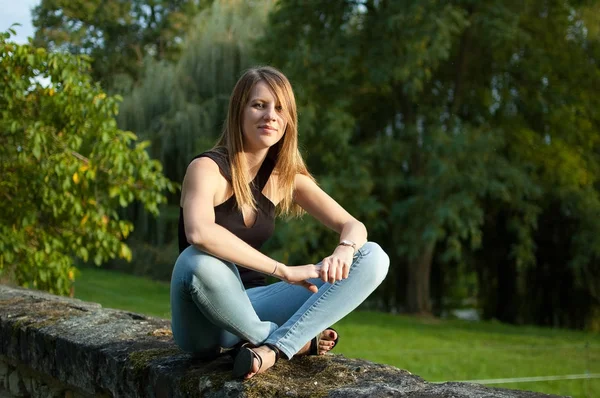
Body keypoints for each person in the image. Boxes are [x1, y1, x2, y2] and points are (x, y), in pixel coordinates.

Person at [170, 66, 389, 379]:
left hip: (254, 304)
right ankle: (289, 339)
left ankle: (273, 347)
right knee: (195, 260)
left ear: (288, 120)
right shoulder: (206, 169)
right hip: (204, 323)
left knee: (372, 256)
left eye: (280, 108)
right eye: (259, 105)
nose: (270, 115)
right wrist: (283, 271)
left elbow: (354, 226)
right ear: (238, 112)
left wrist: (344, 248)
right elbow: (199, 232)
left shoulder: (285, 178)